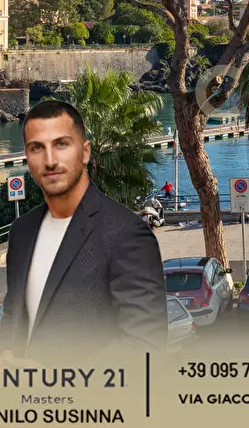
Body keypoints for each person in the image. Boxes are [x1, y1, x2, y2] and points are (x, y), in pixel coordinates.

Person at [0, 100, 167, 364]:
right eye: (37, 148)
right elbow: (13, 315)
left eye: (62, 144)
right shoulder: (21, 231)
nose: (50, 160)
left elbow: (145, 346)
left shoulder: (128, 234)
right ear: (27, 157)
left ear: (85, 152)